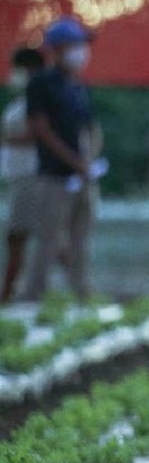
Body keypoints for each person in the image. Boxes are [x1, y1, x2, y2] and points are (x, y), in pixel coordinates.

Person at [23, 16, 101, 302]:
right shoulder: (41, 84)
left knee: (81, 239)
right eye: (75, 44)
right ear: (56, 49)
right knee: (48, 240)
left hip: (82, 177)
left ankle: (82, 293)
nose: (81, 51)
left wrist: (89, 160)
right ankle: (33, 297)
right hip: (54, 176)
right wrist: (73, 161)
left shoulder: (79, 85)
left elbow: (89, 128)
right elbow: (40, 130)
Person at [1, 46, 44, 302]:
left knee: (18, 235)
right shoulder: (22, 100)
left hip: (30, 176)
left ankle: (9, 292)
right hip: (18, 177)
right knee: (26, 236)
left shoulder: (37, 100)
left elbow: (36, 135)